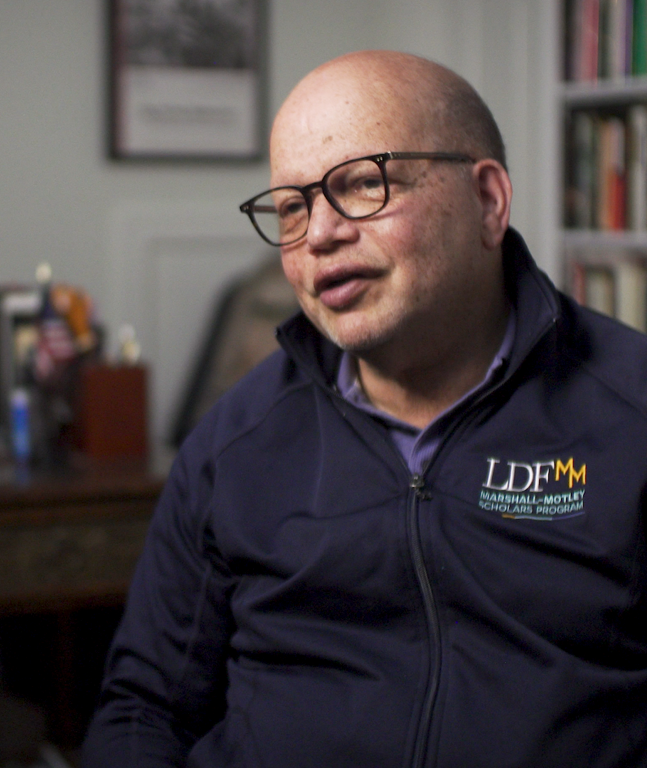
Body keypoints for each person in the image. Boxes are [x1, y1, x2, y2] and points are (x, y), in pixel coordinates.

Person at [83, 51, 647, 767]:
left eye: (361, 185)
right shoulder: (236, 442)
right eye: (292, 207)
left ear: (488, 202)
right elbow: (145, 708)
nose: (319, 234)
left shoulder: (631, 412)